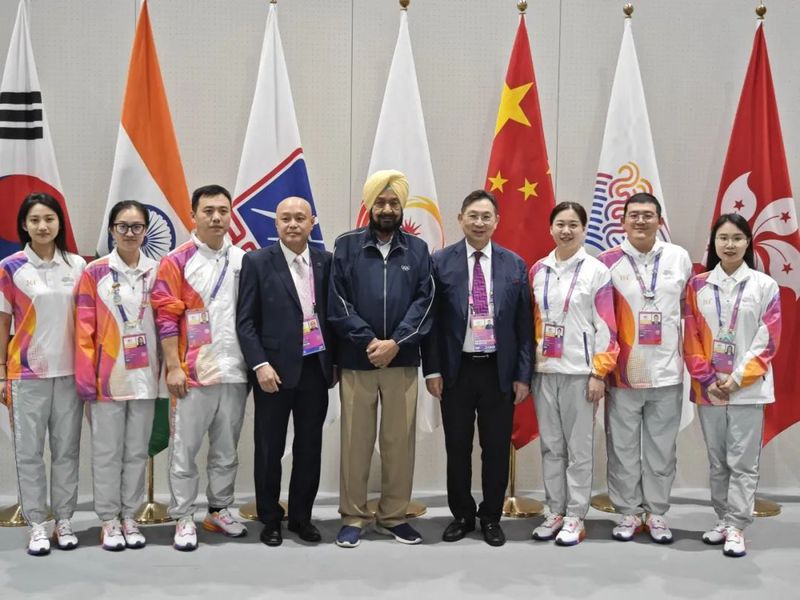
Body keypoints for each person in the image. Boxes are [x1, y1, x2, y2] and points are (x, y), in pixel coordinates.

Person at [328, 170, 434, 548]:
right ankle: (353, 516)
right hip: (358, 361)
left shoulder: (418, 250)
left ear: (402, 207)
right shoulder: (346, 246)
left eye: (393, 203)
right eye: (380, 202)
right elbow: (337, 302)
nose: (387, 209)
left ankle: (393, 516)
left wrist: (396, 343)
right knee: (355, 444)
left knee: (398, 443)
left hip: (401, 361)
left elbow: (426, 302)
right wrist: (370, 341)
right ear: (369, 205)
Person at [422, 190, 532, 547]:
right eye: (473, 216)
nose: (479, 222)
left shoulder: (514, 264)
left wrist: (523, 375)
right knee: (457, 447)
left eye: (486, 216)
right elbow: (431, 323)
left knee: (496, 449)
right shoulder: (440, 261)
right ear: (461, 219)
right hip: (456, 371)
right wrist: (432, 370)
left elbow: (524, 326)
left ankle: (490, 517)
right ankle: (462, 515)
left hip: (499, 371)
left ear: (496, 221)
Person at [151, 184, 249, 551]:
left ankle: (219, 510)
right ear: (193, 215)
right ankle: (183, 516)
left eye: (223, 211)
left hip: (235, 371)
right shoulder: (175, 261)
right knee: (184, 450)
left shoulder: (243, 260)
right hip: (191, 375)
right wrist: (173, 368)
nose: (216, 217)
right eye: (208, 211)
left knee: (226, 449)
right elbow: (165, 318)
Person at [236, 197, 336, 547]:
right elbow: (246, 322)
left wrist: (335, 363)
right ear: (275, 223)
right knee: (269, 449)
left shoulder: (326, 262)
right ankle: (270, 519)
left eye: (300, 218)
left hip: (315, 370)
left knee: (309, 448)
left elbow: (333, 317)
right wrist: (259, 364)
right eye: (285, 219)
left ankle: (301, 518)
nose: (293, 224)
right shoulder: (257, 262)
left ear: (312, 222)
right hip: (273, 373)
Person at [597, 192, 692, 543]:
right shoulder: (606, 262)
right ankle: (627, 512)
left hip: (667, 371)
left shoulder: (679, 257)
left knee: (661, 449)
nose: (640, 221)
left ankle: (656, 513)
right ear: (622, 220)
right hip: (623, 374)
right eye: (634, 215)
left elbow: (689, 311)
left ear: (659, 220)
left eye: (648, 215)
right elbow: (601, 320)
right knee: (622, 448)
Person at [684, 213, 781, 558]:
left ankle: (738, 525)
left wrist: (737, 378)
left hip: (748, 390)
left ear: (748, 242)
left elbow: (768, 340)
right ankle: (723, 519)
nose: (730, 244)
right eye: (723, 238)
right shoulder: (697, 286)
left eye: (737, 238)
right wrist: (709, 379)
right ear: (713, 243)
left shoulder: (764, 286)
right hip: (708, 389)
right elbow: (691, 337)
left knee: (743, 462)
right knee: (718, 461)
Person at [0, 193, 86, 556]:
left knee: (66, 451)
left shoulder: (77, 265)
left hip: (71, 374)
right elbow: (3, 323)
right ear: (24, 224)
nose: (42, 226)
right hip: (26, 375)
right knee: (30, 453)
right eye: (34, 220)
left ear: (59, 223)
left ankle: (63, 519)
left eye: (49, 218)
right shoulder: (10, 267)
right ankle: (37, 523)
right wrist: (1, 373)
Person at [528, 202, 619, 546]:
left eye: (573, 225)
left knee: (578, 449)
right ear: (550, 228)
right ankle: (555, 509)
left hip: (581, 373)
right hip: (544, 371)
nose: (566, 231)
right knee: (551, 447)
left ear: (583, 229)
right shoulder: (538, 270)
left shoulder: (597, 271)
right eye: (560, 224)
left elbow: (607, 326)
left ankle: (576, 516)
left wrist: (599, 373)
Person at [74, 200, 158, 551]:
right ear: (111, 230)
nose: (129, 233)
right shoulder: (94, 272)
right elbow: (83, 329)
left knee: (137, 452)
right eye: (122, 226)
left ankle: (129, 516)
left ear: (145, 231)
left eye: (136, 227)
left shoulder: (158, 271)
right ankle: (108, 519)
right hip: (106, 380)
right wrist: (85, 379)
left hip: (147, 378)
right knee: (107, 452)